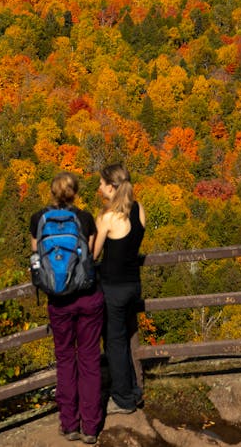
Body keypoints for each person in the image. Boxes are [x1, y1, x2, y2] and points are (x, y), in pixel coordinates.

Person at [29, 171, 104, 444]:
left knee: (65, 360)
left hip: (58, 302)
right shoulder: (84, 219)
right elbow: (91, 257)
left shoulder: (39, 219)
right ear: (75, 193)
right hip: (87, 298)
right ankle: (91, 427)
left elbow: (38, 260)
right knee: (89, 361)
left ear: (52, 193)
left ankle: (69, 424)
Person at [93, 163, 146, 415]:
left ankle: (123, 398)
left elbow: (93, 254)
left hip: (113, 289)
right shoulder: (139, 210)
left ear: (112, 187)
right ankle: (134, 391)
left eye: (102, 184)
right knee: (125, 338)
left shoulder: (107, 218)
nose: (99, 187)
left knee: (114, 343)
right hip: (133, 285)